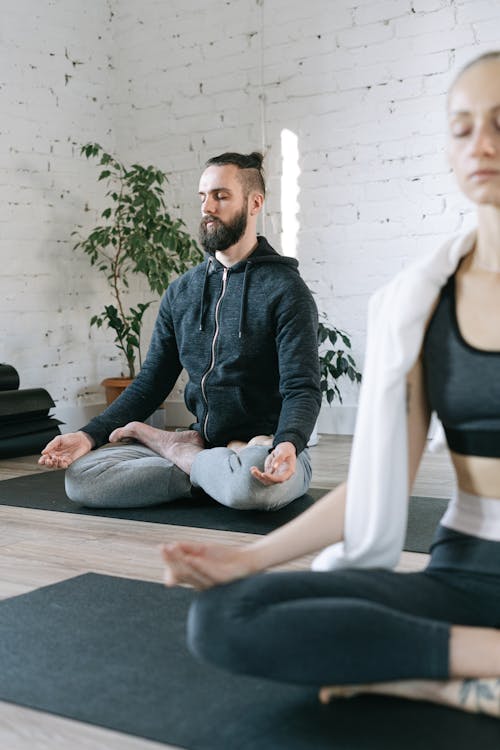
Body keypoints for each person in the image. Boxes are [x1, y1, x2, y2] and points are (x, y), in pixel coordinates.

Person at [161, 52, 500, 718]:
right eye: (462, 128)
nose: (481, 143)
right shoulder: (425, 303)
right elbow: (376, 485)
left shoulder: (282, 286)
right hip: (463, 575)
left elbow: (300, 391)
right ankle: (465, 666)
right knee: (227, 615)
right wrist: (248, 561)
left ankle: (423, 668)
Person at [39, 152, 321, 511]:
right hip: (204, 443)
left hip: (269, 447)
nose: (208, 207)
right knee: (83, 479)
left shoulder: (285, 290)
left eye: (221, 196)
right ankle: (206, 468)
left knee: (253, 486)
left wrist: (288, 444)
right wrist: (87, 435)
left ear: (254, 203)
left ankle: (181, 454)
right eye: (203, 197)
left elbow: (302, 388)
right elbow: (151, 382)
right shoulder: (182, 292)